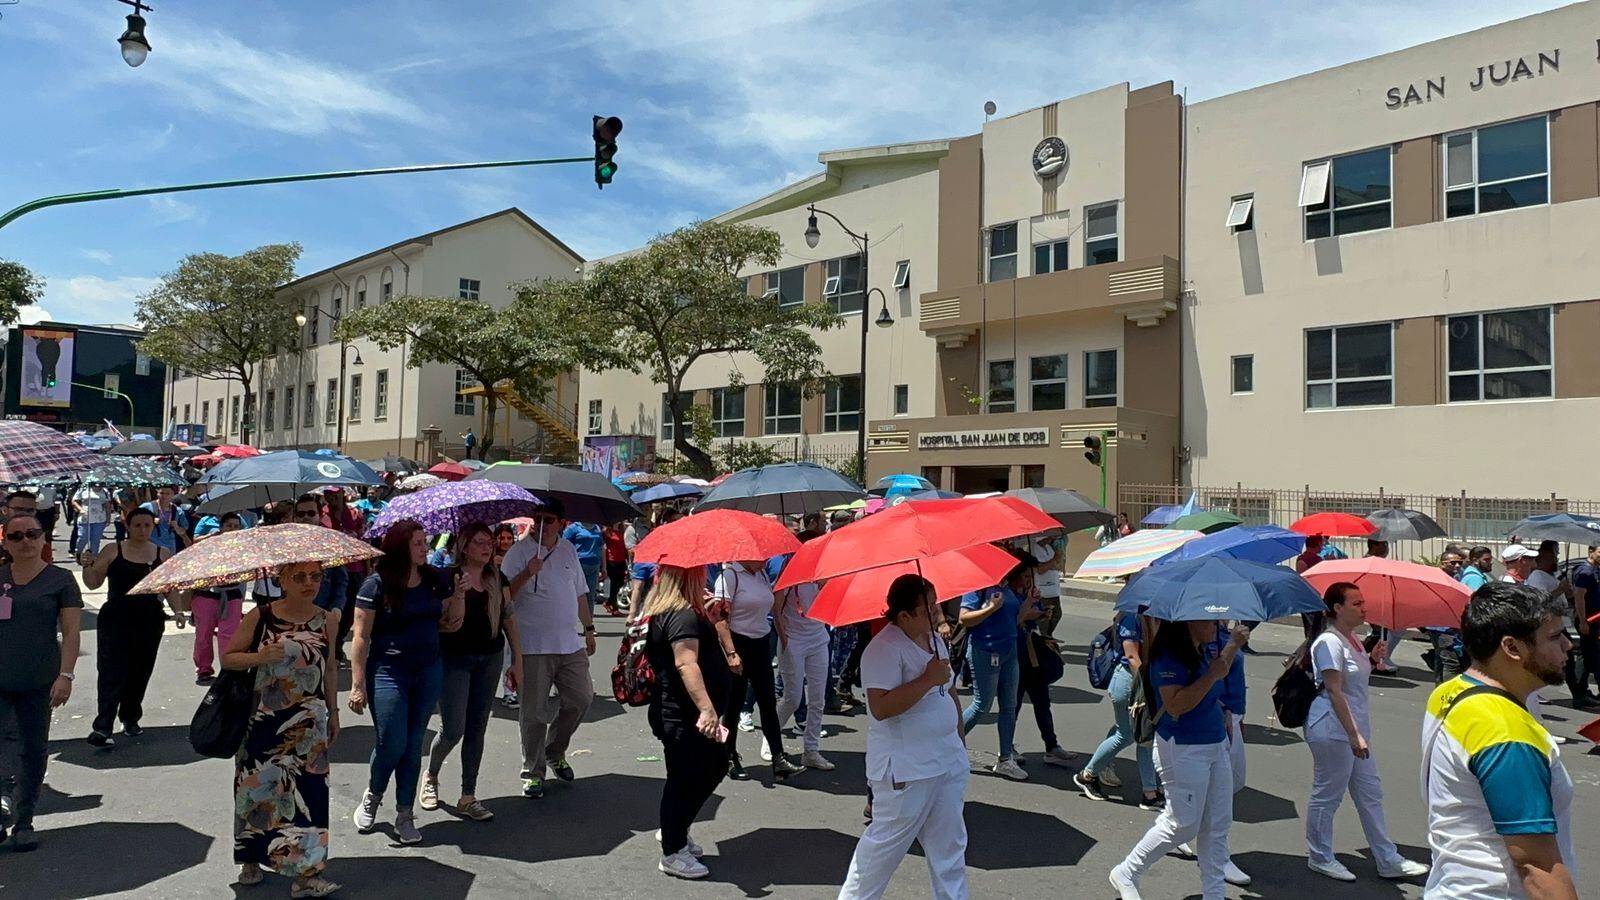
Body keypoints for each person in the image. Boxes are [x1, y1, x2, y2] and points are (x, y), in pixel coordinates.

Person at [1422, 581, 1578, 899]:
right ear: (1512, 648)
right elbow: (1537, 867)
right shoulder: (1507, 733)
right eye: (1554, 636)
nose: (1567, 646)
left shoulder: (1451, 691)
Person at [839, 575, 968, 900]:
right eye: (927, 608)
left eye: (936, 602)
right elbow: (880, 707)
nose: (936, 611)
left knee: (950, 849)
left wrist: (959, 741)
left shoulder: (935, 640)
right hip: (907, 769)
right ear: (904, 615)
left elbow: (948, 690)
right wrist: (926, 678)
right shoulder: (883, 649)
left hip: (946, 760)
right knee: (881, 852)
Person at [1109, 618, 1249, 900]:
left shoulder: (1205, 649)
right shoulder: (1168, 658)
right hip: (1182, 747)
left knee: (1217, 823)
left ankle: (1214, 893)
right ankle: (1126, 872)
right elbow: (1176, 705)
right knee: (1182, 824)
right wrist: (1211, 675)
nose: (1216, 625)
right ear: (1188, 623)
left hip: (1215, 743)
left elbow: (1219, 674)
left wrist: (1233, 645)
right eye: (1209, 620)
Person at [226, 559, 341, 897]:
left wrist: (333, 713)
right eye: (300, 576)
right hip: (262, 718)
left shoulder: (327, 620)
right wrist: (259, 657)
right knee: (257, 789)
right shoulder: (261, 616)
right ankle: (251, 857)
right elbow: (229, 657)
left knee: (311, 795)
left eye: (316, 576)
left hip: (310, 721)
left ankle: (306, 874)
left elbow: (331, 668)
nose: (309, 582)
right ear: (282, 581)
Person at [1302, 583, 1430, 882]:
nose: (1364, 608)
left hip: (1355, 728)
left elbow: (1353, 682)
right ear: (1337, 608)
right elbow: (1334, 691)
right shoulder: (1328, 643)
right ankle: (1319, 856)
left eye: (1364, 602)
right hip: (1333, 728)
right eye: (1357, 603)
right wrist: (1353, 735)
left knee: (1370, 793)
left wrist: (1372, 659)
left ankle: (1387, 858)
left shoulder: (1354, 640)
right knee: (1328, 794)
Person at [348, 520, 463, 844]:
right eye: (418, 543)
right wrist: (358, 685)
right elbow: (360, 637)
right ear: (401, 547)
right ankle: (373, 793)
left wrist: (459, 595)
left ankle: (404, 813)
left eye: (425, 542)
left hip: (428, 670)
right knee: (392, 742)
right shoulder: (376, 584)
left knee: (414, 746)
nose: (425, 548)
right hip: (388, 671)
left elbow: (450, 623)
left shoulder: (434, 579)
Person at [422, 524, 520, 821]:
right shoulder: (446, 577)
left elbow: (509, 619)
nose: (487, 547)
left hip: (489, 658)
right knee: (453, 729)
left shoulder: (496, 577)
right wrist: (458, 594)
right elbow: (446, 623)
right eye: (479, 542)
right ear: (464, 547)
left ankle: (468, 795)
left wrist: (518, 660)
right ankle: (431, 775)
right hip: (454, 659)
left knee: (478, 727)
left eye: (489, 542)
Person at [501, 500, 597, 799]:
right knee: (534, 713)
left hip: (569, 643)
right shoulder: (518, 552)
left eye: (549, 519)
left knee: (581, 699)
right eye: (537, 518)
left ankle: (554, 750)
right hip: (532, 646)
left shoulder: (568, 550)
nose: (541, 524)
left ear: (562, 523)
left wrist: (589, 628)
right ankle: (532, 771)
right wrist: (528, 572)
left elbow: (580, 591)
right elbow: (504, 596)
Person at [0, 514, 82, 852]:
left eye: (32, 534)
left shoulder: (60, 580)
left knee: (33, 750)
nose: (25, 541)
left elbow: (72, 632)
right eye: (16, 536)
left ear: (44, 538)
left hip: (39, 679)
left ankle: (24, 821)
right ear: (5, 542)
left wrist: (66, 675)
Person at [643, 565, 731, 880]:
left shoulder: (685, 611)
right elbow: (685, 662)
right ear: (689, 576)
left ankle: (675, 830)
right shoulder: (680, 614)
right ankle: (672, 849)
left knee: (711, 766)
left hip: (683, 713)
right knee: (686, 778)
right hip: (682, 714)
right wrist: (707, 709)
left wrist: (710, 617)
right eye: (701, 571)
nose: (706, 576)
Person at [80, 508, 180, 747]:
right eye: (137, 525)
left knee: (140, 671)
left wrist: (178, 611)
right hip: (116, 618)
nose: (142, 530)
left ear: (153, 527)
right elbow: (93, 584)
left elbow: (169, 587)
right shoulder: (113, 550)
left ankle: (131, 717)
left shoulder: (161, 553)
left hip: (149, 619)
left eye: (147, 525)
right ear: (128, 526)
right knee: (111, 672)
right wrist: (87, 565)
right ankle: (103, 726)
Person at [712, 557, 802, 780]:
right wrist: (731, 653)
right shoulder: (729, 577)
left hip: (761, 642)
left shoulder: (760, 575)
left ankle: (778, 757)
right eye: (761, 557)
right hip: (738, 644)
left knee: (768, 702)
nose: (766, 559)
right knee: (734, 704)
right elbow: (720, 620)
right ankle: (729, 755)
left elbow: (772, 605)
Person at [958, 563, 1042, 781]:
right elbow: (964, 619)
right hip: (984, 651)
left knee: (1009, 705)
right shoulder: (977, 587)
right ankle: (949, 746)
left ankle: (1006, 758)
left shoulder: (1007, 589)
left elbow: (1015, 619)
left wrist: (1029, 601)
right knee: (981, 705)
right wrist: (990, 608)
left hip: (1009, 651)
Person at [1076, 608, 1161, 808]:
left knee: (1145, 736)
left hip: (1141, 682)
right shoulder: (1131, 617)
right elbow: (1132, 657)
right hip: (1129, 683)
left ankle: (1150, 793)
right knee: (1126, 734)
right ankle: (1087, 775)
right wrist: (1148, 686)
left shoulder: (1155, 616)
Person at [770, 548, 833, 771]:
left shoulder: (824, 573)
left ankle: (811, 751)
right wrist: (784, 638)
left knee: (818, 699)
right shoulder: (789, 574)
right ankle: (772, 740)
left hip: (818, 639)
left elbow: (832, 599)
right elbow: (776, 608)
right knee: (792, 698)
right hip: (793, 641)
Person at [191, 513, 248, 685]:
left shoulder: (243, 550)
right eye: (229, 525)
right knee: (204, 634)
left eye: (236, 526)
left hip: (232, 595)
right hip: (207, 594)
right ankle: (204, 669)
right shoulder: (207, 547)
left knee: (229, 635)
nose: (232, 529)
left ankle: (228, 668)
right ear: (221, 527)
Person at [1571, 544, 1600, 706]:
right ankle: (1579, 694)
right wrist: (1583, 621)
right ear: (1591, 552)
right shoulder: (1584, 571)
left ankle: (1582, 691)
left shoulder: (1595, 570)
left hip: (1595, 620)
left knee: (1590, 656)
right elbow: (1579, 597)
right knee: (1588, 656)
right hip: (1588, 621)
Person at [561, 520, 604, 611]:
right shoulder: (573, 528)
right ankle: (572, 617)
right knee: (576, 594)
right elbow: (564, 545)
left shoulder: (597, 528)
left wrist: (604, 567)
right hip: (578, 564)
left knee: (590, 594)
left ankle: (588, 621)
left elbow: (601, 547)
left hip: (594, 565)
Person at [139, 485, 191, 552]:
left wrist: (176, 527)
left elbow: (183, 530)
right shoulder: (147, 507)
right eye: (161, 493)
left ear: (173, 494)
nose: (164, 496)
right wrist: (149, 521)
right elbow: (133, 521)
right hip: (150, 545)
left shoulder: (178, 511)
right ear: (157, 493)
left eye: (168, 494)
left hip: (169, 547)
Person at [71, 483, 113, 559]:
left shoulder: (105, 492)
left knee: (95, 540)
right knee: (83, 537)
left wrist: (108, 517)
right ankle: (78, 552)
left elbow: (107, 505)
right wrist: (80, 509)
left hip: (99, 519)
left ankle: (93, 557)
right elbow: (74, 501)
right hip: (85, 518)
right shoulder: (83, 489)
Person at [601, 523, 629, 616]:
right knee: (614, 584)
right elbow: (603, 547)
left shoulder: (623, 531)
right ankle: (614, 608)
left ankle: (608, 602)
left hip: (621, 560)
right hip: (611, 560)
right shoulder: (606, 532)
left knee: (621, 582)